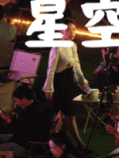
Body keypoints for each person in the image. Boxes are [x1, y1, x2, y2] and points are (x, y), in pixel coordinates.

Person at [43, 18, 91, 149]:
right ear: (61, 31)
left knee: (69, 115)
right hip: (59, 84)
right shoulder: (57, 48)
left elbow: (76, 65)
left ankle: (77, 144)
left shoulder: (73, 45)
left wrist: (83, 82)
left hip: (68, 82)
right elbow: (51, 69)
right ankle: (70, 144)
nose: (72, 32)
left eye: (73, 30)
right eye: (68, 30)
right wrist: (49, 88)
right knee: (63, 116)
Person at [0, 84, 55, 155]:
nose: (17, 103)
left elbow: (23, 134)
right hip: (25, 140)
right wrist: (12, 119)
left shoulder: (32, 112)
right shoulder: (35, 107)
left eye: (17, 100)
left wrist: (10, 121)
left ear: (24, 99)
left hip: (30, 145)